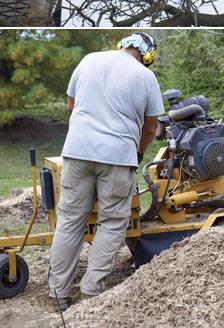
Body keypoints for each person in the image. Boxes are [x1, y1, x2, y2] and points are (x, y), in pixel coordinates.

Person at [48, 32, 164, 310]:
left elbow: (71, 106)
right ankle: (91, 293)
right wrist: (137, 153)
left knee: (70, 220)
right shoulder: (146, 77)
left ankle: (57, 293)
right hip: (118, 157)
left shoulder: (88, 60)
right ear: (148, 56)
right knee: (112, 223)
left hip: (76, 153)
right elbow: (150, 128)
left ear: (122, 44)